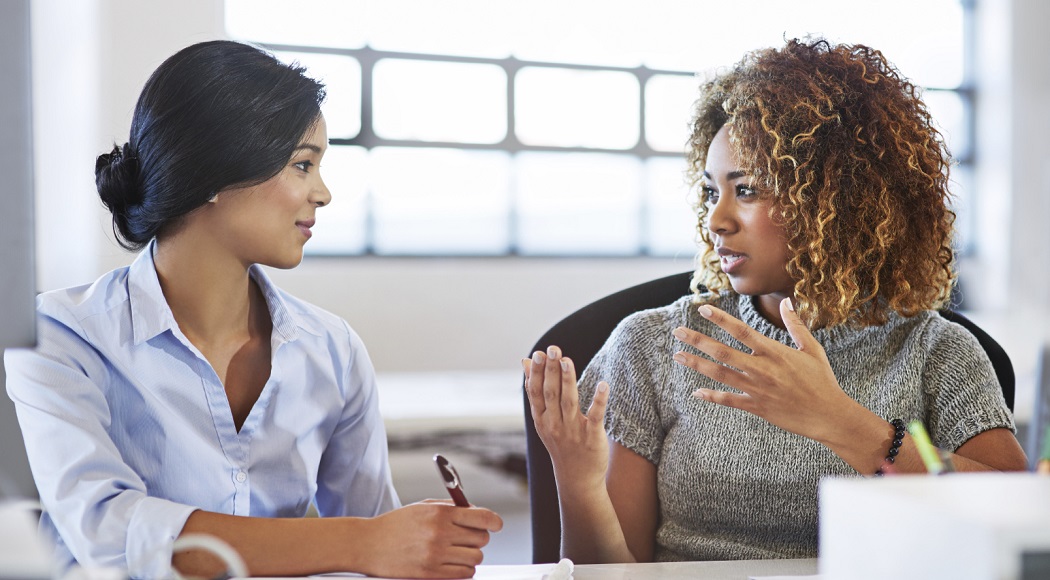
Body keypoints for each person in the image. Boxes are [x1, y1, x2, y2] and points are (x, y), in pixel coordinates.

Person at [5, 40, 501, 579]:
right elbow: (109, 530)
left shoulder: (332, 350)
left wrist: (416, 545)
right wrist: (364, 541)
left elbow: (374, 540)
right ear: (214, 173)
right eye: (302, 165)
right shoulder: (60, 336)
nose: (324, 193)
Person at [523, 38, 1028, 564]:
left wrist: (846, 424)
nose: (717, 219)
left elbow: (1018, 514)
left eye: (746, 190)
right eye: (710, 191)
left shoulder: (934, 351)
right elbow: (609, 575)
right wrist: (577, 481)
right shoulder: (651, 347)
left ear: (835, 198)